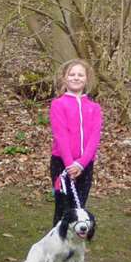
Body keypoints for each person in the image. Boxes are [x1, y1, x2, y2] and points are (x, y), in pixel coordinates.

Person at [49, 59, 101, 224]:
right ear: (65, 78)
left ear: (86, 79)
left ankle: (74, 247)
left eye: (80, 74)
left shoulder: (95, 108)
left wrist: (81, 163)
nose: (76, 78)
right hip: (61, 164)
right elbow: (60, 135)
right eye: (72, 74)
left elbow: (94, 137)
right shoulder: (58, 104)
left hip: (85, 165)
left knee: (79, 209)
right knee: (63, 208)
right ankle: (57, 246)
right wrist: (70, 163)